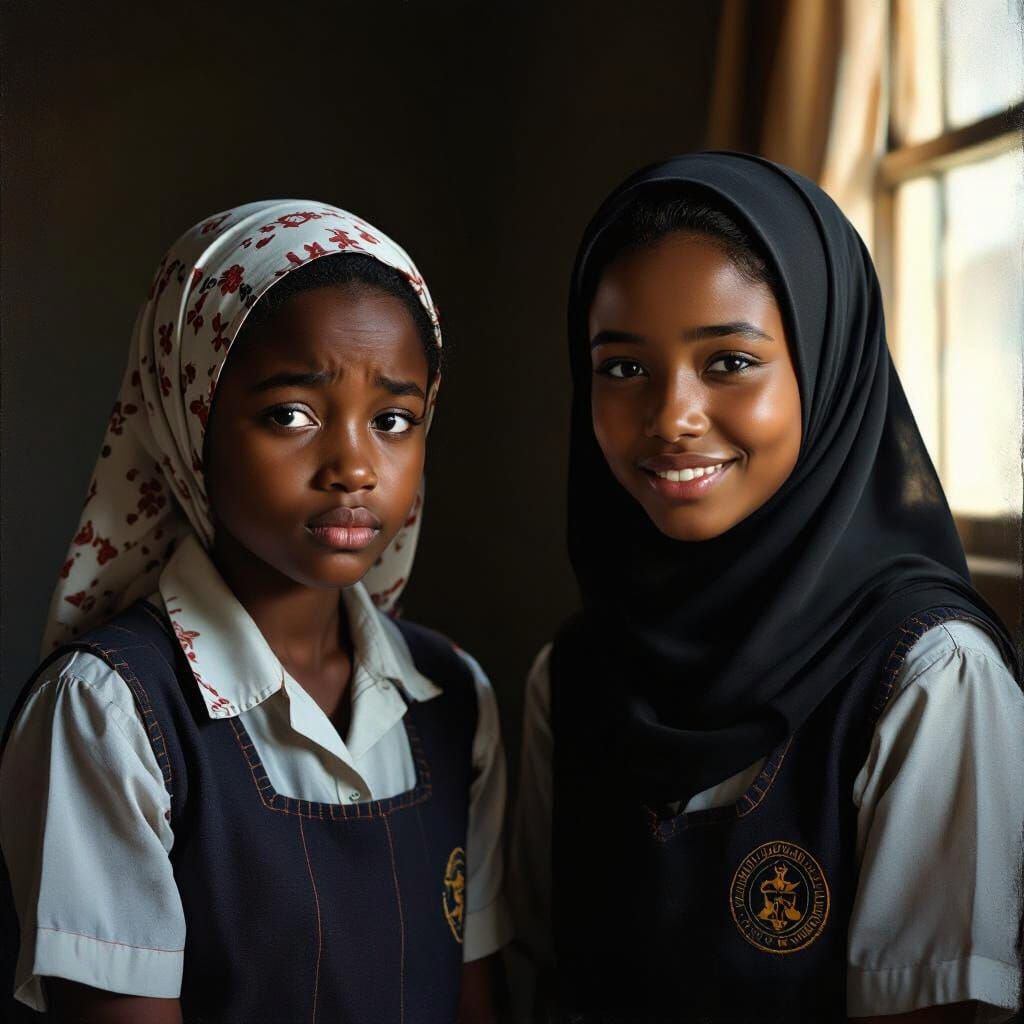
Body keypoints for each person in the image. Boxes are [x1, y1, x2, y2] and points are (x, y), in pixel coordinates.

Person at [509, 154, 1023, 1023]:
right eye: (623, 368)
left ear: (824, 373)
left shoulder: (931, 680)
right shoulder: (573, 677)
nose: (672, 417)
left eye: (730, 362)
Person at [1, 201, 509, 1023]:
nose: (353, 466)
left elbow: (472, 999)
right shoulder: (111, 714)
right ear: (188, 415)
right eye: (291, 415)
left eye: (393, 420)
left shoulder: (453, 695)